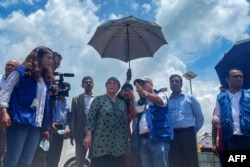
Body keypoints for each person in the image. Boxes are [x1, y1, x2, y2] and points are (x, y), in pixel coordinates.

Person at [0, 46, 53, 167]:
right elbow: (5, 92)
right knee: (12, 160)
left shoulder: (44, 79)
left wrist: (45, 127)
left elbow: (44, 104)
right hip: (20, 121)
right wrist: (3, 112)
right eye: (48, 57)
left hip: (35, 125)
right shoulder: (21, 71)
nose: (51, 61)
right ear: (39, 57)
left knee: (26, 162)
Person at [83, 77, 136, 167]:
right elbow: (91, 118)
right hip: (101, 143)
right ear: (106, 86)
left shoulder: (122, 104)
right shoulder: (98, 100)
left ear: (118, 88)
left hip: (118, 144)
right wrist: (88, 135)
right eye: (109, 83)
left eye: (114, 83)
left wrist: (127, 138)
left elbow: (124, 123)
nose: (112, 84)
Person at [31, 51, 63, 167]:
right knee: (32, 153)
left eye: (58, 64)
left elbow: (53, 105)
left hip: (48, 122)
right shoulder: (37, 77)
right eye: (54, 63)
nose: (55, 66)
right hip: (34, 120)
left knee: (44, 153)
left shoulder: (52, 81)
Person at [133, 76, 173, 167]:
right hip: (143, 140)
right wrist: (132, 100)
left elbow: (160, 102)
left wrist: (145, 93)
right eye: (139, 85)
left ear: (151, 84)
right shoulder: (141, 102)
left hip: (158, 138)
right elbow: (134, 113)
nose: (141, 86)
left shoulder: (161, 94)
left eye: (143, 84)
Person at [168, 74, 204, 167]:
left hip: (188, 134)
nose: (174, 83)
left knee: (191, 161)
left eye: (177, 81)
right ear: (170, 85)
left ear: (181, 84)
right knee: (175, 161)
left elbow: (199, 117)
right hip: (173, 136)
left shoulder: (190, 98)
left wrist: (192, 131)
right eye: (172, 81)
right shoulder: (167, 101)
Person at [213, 68, 250, 151]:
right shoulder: (221, 98)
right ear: (227, 79)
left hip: (248, 137)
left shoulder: (248, 94)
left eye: (241, 76)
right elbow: (217, 115)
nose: (239, 78)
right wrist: (215, 119)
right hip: (230, 139)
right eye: (235, 76)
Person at [70, 76, 96, 167]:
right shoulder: (76, 99)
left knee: (96, 161)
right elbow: (73, 117)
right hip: (80, 133)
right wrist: (72, 133)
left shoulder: (99, 98)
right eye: (86, 82)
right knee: (79, 161)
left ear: (93, 84)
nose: (88, 83)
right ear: (82, 85)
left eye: (90, 82)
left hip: (95, 134)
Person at [46, 82, 71, 167]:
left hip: (61, 131)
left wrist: (67, 127)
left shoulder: (67, 104)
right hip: (50, 130)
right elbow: (49, 112)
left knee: (56, 155)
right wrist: (52, 122)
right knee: (46, 153)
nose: (65, 91)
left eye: (67, 90)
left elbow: (67, 119)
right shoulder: (53, 100)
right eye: (64, 88)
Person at [0, 60, 19, 167]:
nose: (9, 67)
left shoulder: (18, 83)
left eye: (13, 66)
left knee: (4, 148)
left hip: (10, 118)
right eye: (8, 64)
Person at [211, 85, 227, 167]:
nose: (221, 94)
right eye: (220, 92)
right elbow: (214, 127)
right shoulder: (216, 109)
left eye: (223, 92)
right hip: (222, 146)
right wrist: (213, 144)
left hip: (237, 143)